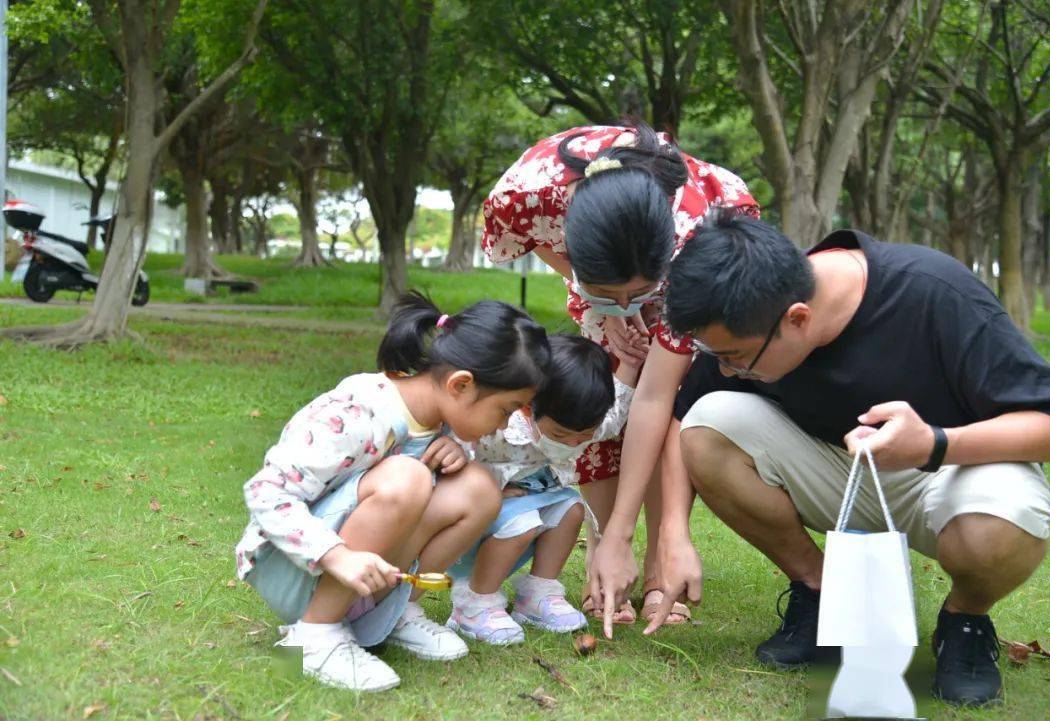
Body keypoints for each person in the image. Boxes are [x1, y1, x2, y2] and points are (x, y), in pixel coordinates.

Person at [653, 211, 1050, 706]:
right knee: (708, 425)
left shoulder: (933, 292)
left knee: (1003, 517)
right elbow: (684, 418)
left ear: (798, 318)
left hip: (948, 473)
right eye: (717, 354)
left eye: (735, 358)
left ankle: (965, 621)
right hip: (838, 472)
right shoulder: (745, 310)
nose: (726, 367)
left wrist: (936, 443)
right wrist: (673, 533)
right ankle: (822, 597)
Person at [483, 122, 758, 629]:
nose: (631, 305)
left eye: (639, 292)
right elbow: (525, 237)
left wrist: (625, 535)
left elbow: (656, 399)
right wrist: (600, 301)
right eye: (616, 289)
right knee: (600, 398)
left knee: (662, 401)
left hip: (693, 254)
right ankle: (600, 550)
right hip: (602, 253)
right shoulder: (529, 192)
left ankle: (655, 562)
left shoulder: (700, 234)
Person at [234, 292, 551, 692]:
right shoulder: (359, 412)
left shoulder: (441, 418)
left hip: (362, 574)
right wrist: (337, 556)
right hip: (295, 567)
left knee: (480, 489)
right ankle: (313, 636)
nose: (504, 426)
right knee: (408, 477)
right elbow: (265, 492)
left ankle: (394, 612)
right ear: (461, 384)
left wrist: (462, 448)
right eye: (505, 410)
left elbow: (456, 472)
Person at [448, 335, 642, 644]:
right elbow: (459, 446)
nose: (573, 443)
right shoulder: (502, 429)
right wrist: (486, 490)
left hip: (536, 500)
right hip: (488, 511)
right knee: (521, 523)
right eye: (560, 434)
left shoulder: (584, 424)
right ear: (527, 410)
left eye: (584, 436)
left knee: (572, 509)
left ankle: (537, 594)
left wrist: (630, 364)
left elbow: (615, 414)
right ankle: (475, 603)